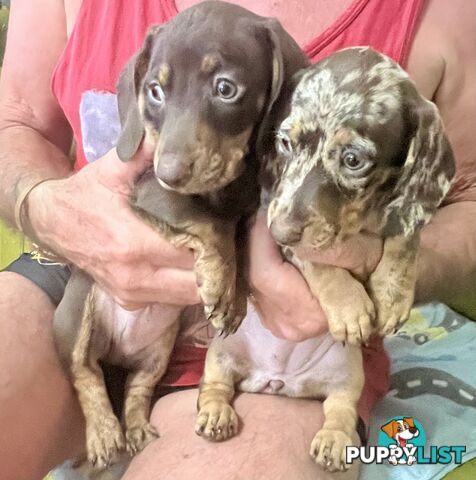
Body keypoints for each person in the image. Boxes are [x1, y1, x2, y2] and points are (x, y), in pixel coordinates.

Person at [0, 0, 474, 479]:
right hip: (82, 271)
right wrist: (46, 209)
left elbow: (468, 197)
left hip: (276, 339)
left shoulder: (448, 13)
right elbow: (16, 121)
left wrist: (373, 264)